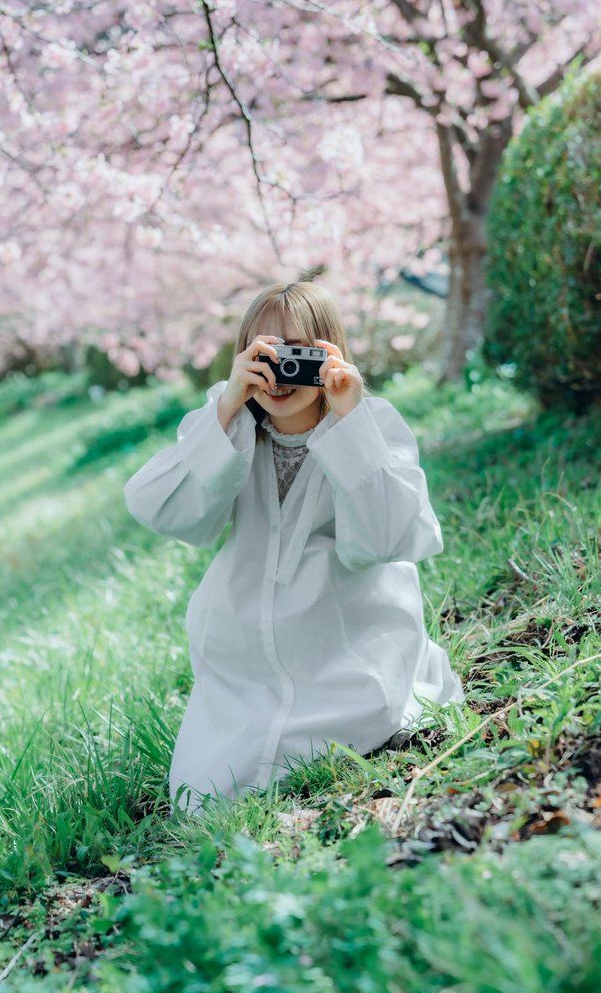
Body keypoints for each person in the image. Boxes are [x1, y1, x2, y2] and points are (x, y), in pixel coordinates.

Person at [123, 278, 465, 816]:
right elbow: (160, 507)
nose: (280, 374)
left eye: (297, 354)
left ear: (330, 354)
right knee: (200, 792)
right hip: (244, 667)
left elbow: (390, 539)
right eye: (265, 356)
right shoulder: (230, 425)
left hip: (346, 644)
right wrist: (228, 407)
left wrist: (349, 422)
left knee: (360, 725)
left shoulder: (372, 424)